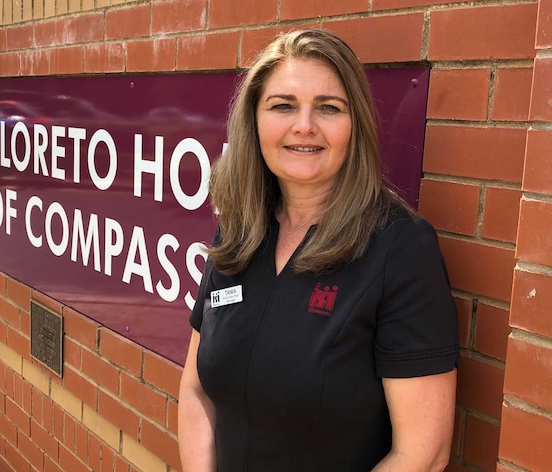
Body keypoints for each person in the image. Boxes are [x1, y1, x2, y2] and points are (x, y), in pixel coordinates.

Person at [179, 30, 459, 472]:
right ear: (254, 121)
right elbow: (196, 390)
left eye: (328, 107)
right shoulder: (239, 230)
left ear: (355, 126)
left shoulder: (399, 248)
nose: (304, 125)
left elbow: (422, 454)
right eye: (283, 105)